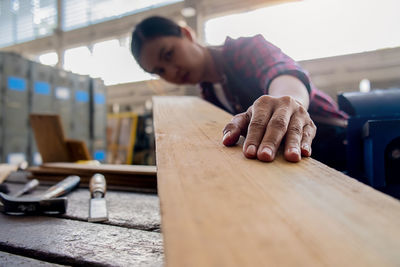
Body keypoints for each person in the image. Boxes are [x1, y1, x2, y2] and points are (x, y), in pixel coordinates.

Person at [130, 16, 348, 165]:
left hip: (341, 141)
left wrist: (288, 101)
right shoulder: (209, 94)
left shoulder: (246, 50)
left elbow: (283, 73)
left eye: (168, 54)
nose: (172, 71)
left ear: (186, 34)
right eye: (160, 70)